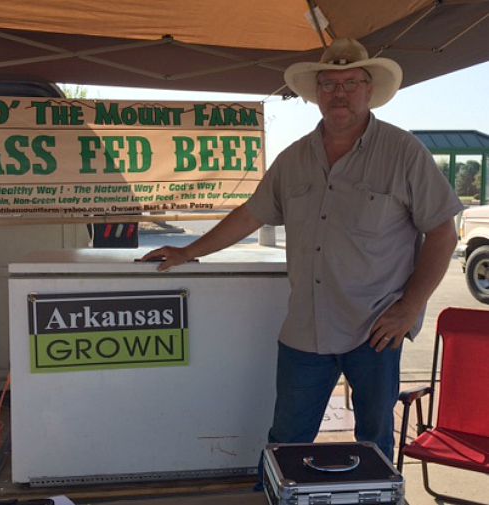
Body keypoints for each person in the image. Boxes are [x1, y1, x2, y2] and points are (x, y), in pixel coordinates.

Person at [141, 38, 462, 462]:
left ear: (369, 90)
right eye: (329, 84)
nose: (339, 93)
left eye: (351, 82)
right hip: (305, 331)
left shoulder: (403, 153)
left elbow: (443, 232)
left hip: (377, 330)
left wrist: (410, 307)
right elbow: (249, 214)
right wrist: (188, 250)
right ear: (316, 94)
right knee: (286, 440)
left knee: (374, 442)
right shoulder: (293, 158)